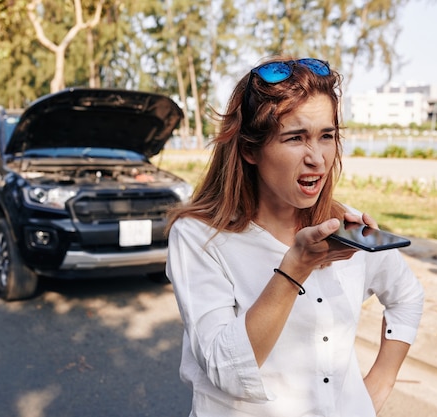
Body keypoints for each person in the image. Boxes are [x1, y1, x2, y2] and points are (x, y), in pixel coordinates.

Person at [165, 56, 424, 417]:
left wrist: (380, 382)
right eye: (295, 137)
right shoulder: (199, 237)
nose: (317, 158)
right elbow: (226, 371)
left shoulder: (344, 225)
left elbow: (407, 296)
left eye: (327, 136)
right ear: (250, 149)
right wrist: (293, 270)